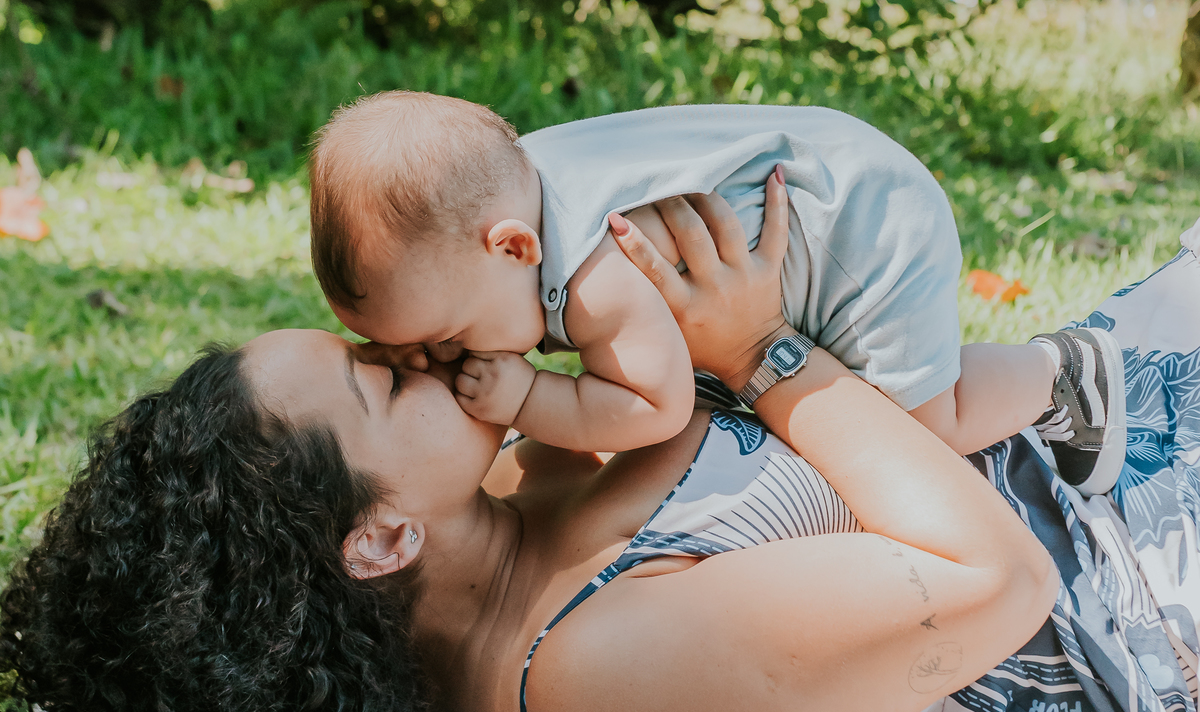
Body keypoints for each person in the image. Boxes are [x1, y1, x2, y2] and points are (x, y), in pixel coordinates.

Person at [4, 190, 1197, 712]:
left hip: (1098, 408)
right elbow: (998, 583)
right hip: (1141, 562)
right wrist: (765, 350)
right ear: (381, 537)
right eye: (379, 376)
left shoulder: (518, 477)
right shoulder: (590, 679)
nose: (411, 348)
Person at [308, 92, 1124, 489]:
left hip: (860, 226)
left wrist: (525, 397)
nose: (439, 361)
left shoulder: (594, 278)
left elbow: (648, 407)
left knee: (914, 430)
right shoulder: (503, 195)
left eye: (446, 337)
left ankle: (1062, 373)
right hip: (822, 183)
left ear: (515, 248)